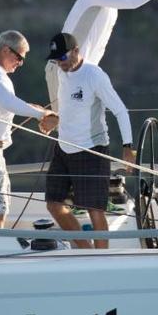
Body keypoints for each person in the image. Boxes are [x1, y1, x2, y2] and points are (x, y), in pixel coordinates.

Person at [45, 0, 158, 110]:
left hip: (81, 74)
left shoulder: (112, 8)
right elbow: (133, 1)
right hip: (63, 69)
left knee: (79, 128)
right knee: (69, 127)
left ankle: (47, 117)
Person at [42, 32, 135, 249]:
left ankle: (101, 262)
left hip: (91, 149)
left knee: (95, 209)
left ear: (76, 51)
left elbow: (120, 111)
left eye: (62, 58)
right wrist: (55, 120)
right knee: (53, 205)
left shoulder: (94, 76)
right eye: (55, 60)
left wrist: (128, 148)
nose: (59, 64)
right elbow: (71, 109)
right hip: (63, 148)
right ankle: (86, 251)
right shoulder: (61, 71)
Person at [0, 30, 56, 228]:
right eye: (19, 57)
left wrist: (39, 110)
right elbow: (9, 102)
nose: (21, 63)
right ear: (6, 50)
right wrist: (42, 115)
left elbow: (10, 103)